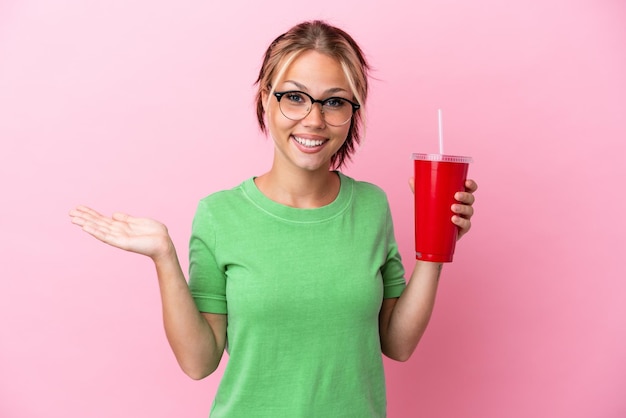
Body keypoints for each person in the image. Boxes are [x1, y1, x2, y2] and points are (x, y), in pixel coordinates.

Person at [69, 20, 477, 418]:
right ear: (267, 98)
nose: (314, 120)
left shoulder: (372, 206)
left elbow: (397, 344)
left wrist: (434, 250)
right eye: (295, 97)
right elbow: (199, 362)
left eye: (334, 101)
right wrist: (163, 256)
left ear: (353, 112)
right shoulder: (219, 215)